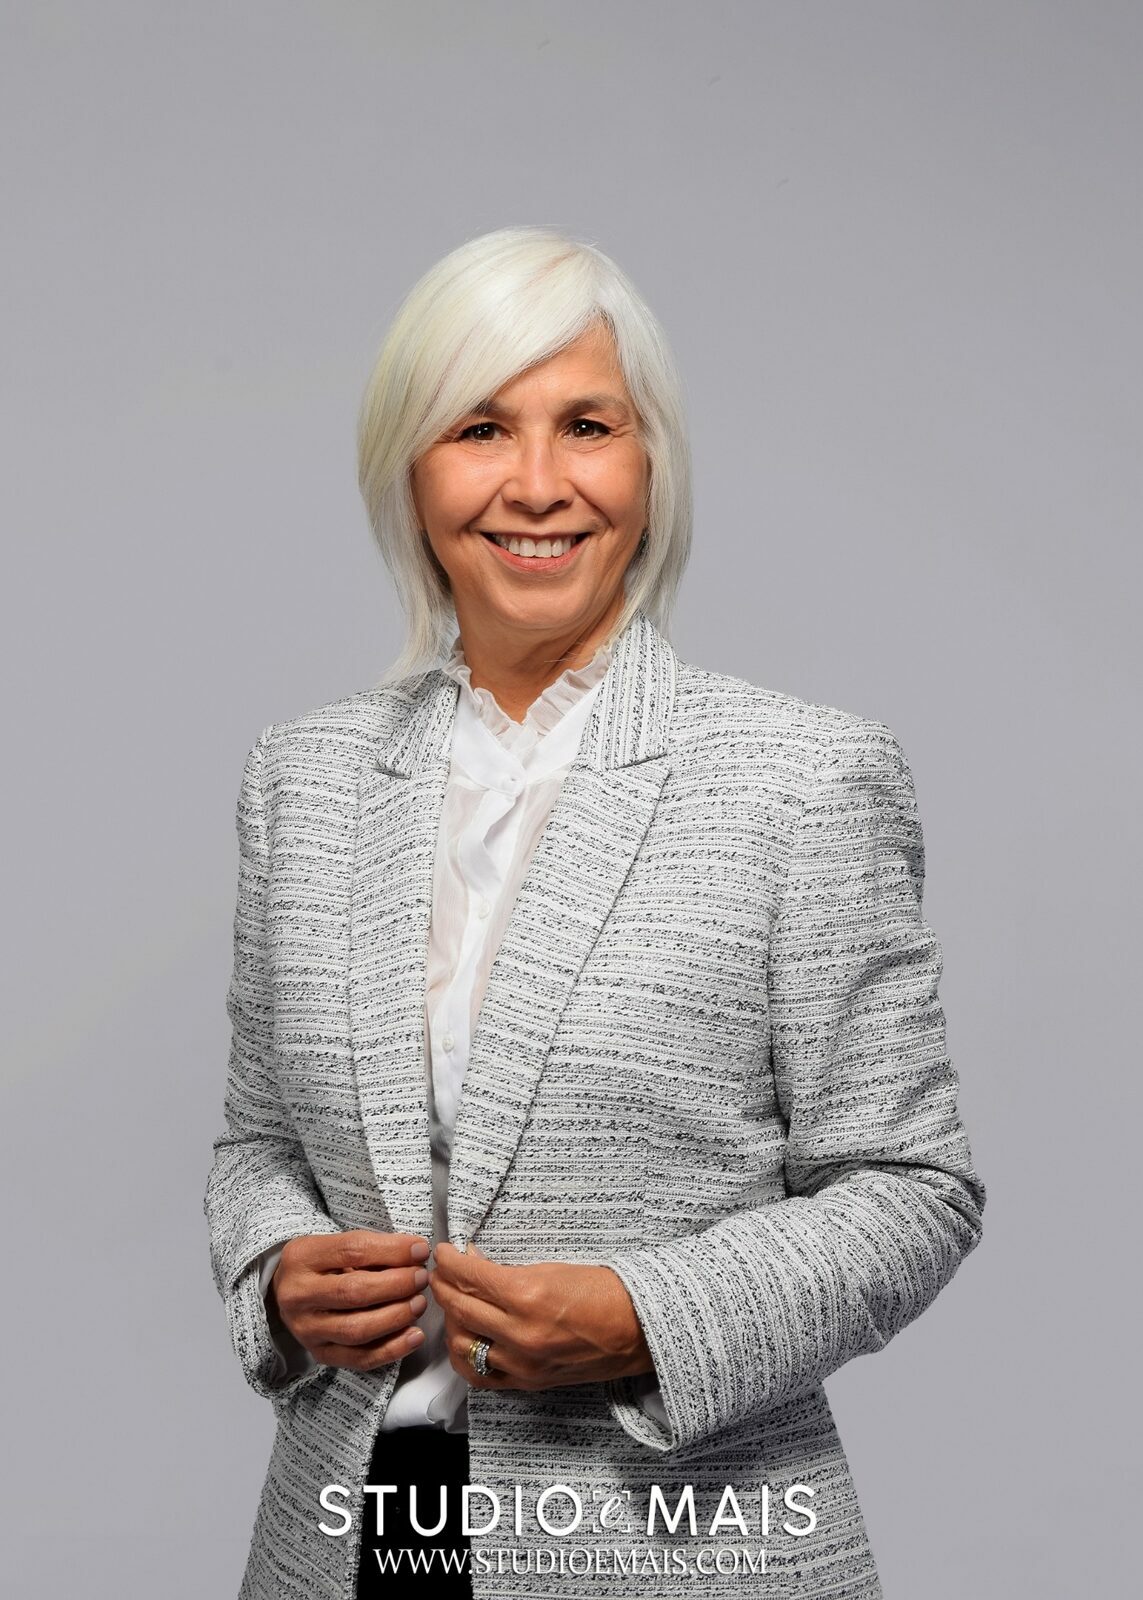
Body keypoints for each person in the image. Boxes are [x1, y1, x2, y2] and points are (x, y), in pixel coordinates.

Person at [204, 224, 987, 1600]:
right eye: (479, 428)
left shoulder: (804, 779)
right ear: (410, 470)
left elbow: (911, 1189)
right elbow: (258, 1141)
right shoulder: (304, 780)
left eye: (587, 425)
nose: (537, 483)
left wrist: (647, 1315)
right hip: (345, 1536)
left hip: (677, 1544)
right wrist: (277, 1271)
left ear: (651, 462)